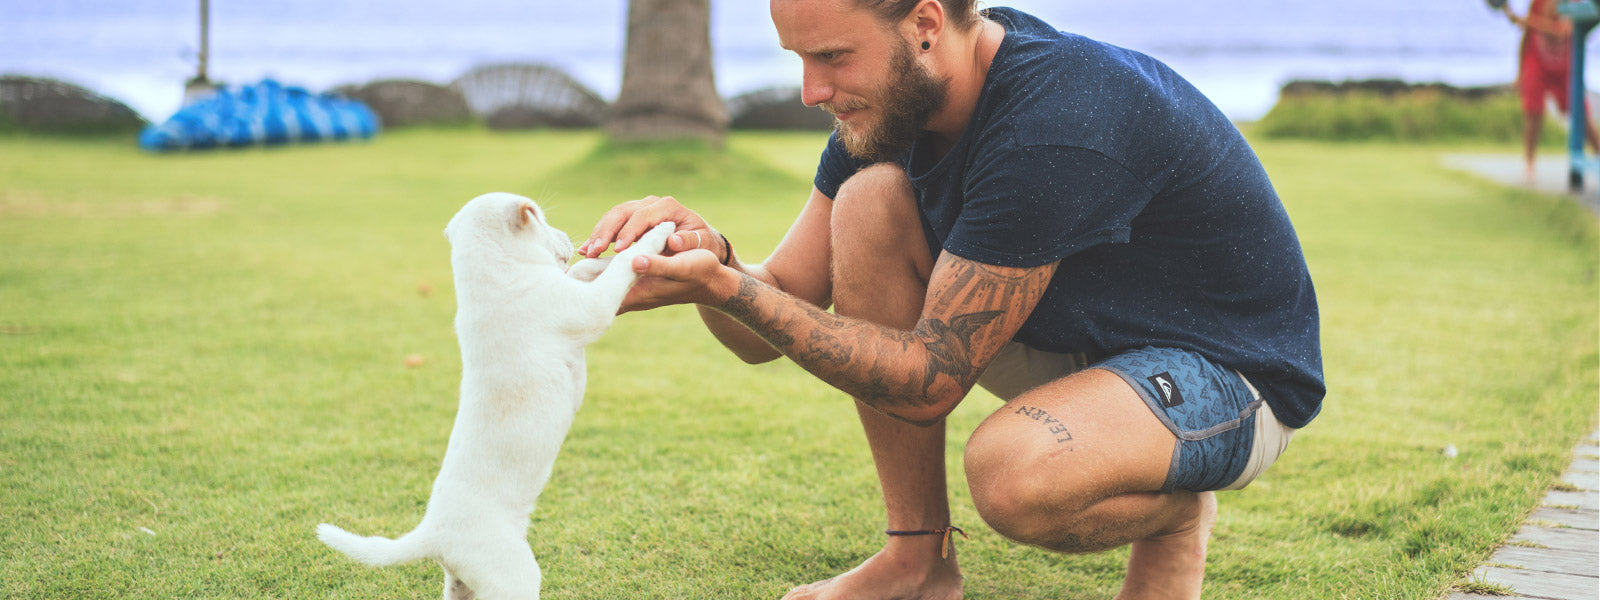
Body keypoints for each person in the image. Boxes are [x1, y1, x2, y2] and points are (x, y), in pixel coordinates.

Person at [578, 1, 1324, 598]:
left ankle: (1174, 518)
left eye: (832, 56)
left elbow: (929, 380)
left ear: (926, 26)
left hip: (1231, 378)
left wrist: (729, 288)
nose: (811, 92)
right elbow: (765, 317)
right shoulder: (891, 110)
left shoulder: (1056, 117)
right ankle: (917, 562)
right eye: (799, 59)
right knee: (868, 201)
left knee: (1014, 475)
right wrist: (715, 261)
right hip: (1078, 344)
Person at [1503, 0, 1599, 181]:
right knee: (1533, 111)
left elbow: (1564, 30)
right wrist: (1520, 71)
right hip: (1537, 60)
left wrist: (1527, 21)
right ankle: (1529, 164)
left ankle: (1598, 153)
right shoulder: (1537, 3)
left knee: (1582, 115)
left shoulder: (1575, 3)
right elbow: (1527, 37)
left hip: (1565, 64)